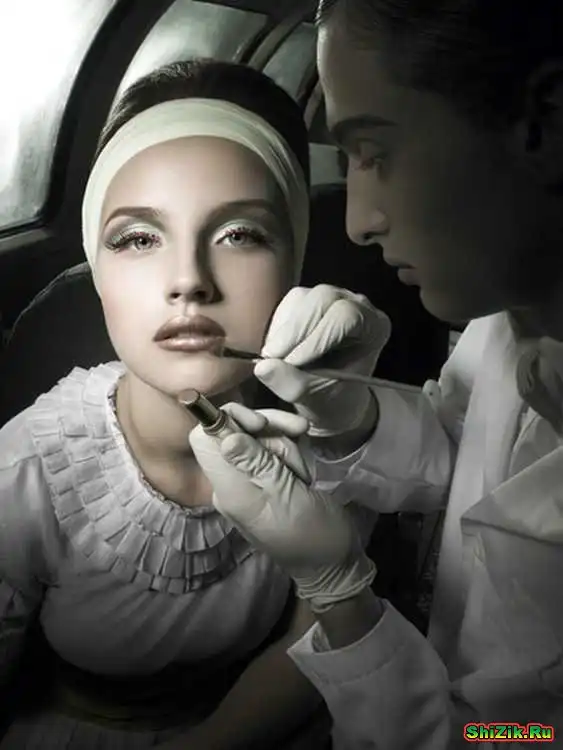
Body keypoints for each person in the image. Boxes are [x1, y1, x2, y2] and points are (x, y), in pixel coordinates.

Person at [188, 1, 563, 748]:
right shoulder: (505, 314)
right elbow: (468, 455)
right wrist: (355, 417)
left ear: (545, 123)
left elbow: (510, 738)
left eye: (373, 152)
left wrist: (340, 597)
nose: (358, 222)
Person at [0, 58, 386, 749]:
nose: (189, 281)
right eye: (138, 238)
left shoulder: (334, 433)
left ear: (293, 263)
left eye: (240, 234)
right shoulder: (25, 471)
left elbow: (321, 636)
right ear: (97, 271)